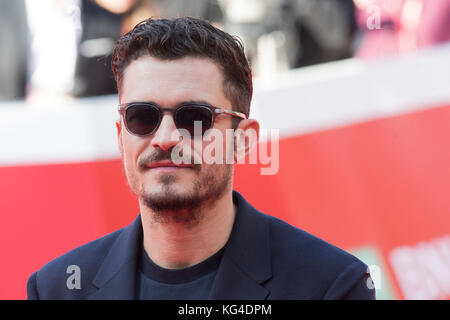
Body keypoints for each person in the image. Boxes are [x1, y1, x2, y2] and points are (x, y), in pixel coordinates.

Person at [26, 17, 375, 300]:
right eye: (142, 117)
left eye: (194, 117)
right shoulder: (57, 289)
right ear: (121, 136)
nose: (164, 138)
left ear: (243, 139)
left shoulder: (331, 286)